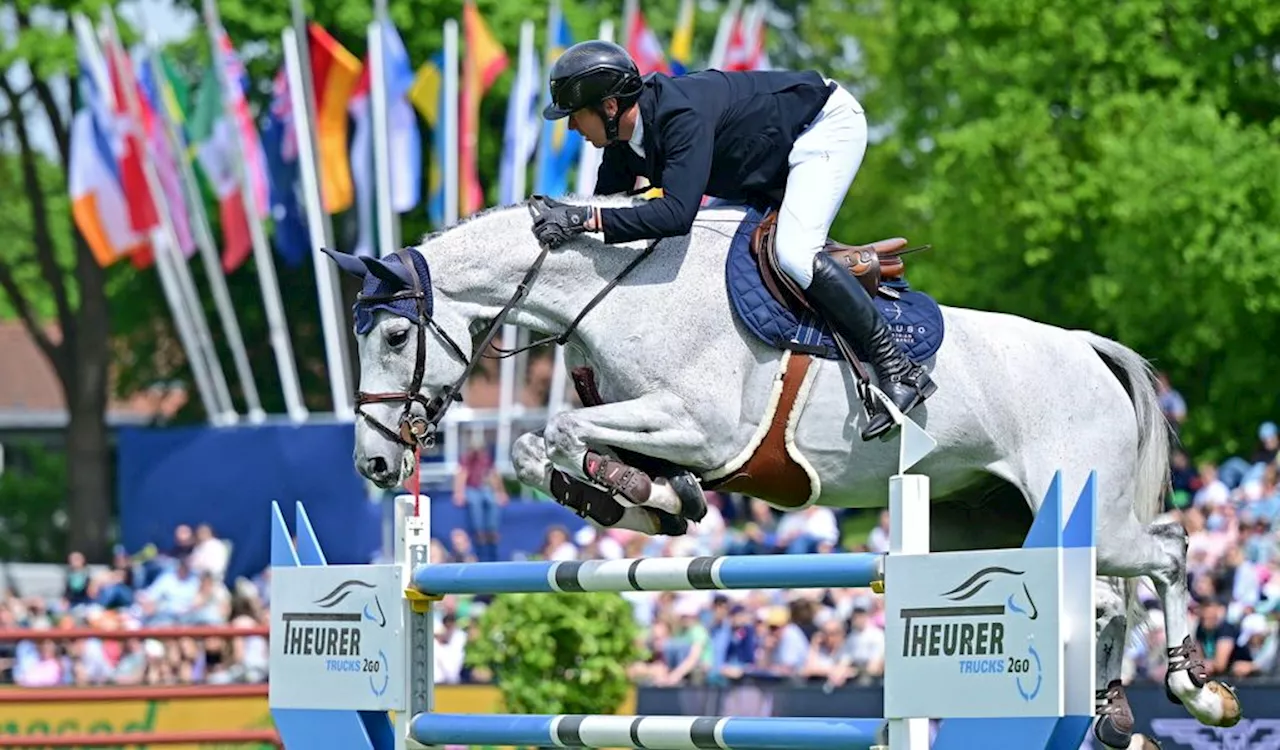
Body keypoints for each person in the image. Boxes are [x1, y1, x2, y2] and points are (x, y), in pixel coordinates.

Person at [529, 40, 934, 440]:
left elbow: (675, 215)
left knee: (794, 254)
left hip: (822, 129)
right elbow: (604, 207)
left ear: (611, 107)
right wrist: (564, 223)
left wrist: (586, 218)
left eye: (575, 115)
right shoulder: (621, 143)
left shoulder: (679, 115)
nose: (571, 127)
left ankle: (897, 366)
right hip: (763, 161)